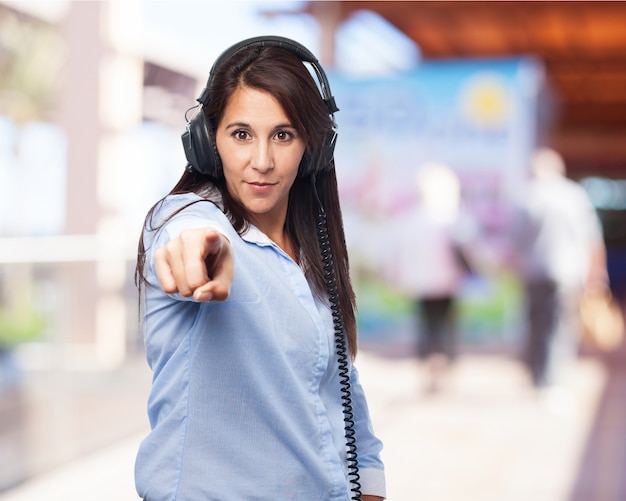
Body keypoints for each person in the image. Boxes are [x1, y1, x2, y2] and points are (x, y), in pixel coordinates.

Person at [133, 36, 386, 501]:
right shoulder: (187, 221)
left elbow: (341, 401)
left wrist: (370, 487)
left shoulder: (313, 257)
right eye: (242, 134)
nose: (263, 161)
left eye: (283, 135)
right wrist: (203, 256)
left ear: (313, 147)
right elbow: (193, 241)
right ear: (208, 143)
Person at [510, 147, 608, 408]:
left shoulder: (526, 197)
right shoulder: (574, 196)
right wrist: (596, 273)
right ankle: (551, 383)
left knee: (536, 323)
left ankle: (537, 377)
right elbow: (591, 238)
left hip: (534, 272)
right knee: (559, 327)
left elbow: (516, 241)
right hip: (568, 272)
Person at [383, 162, 472, 392]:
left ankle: (429, 367)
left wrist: (396, 275)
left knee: (427, 326)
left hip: (421, 282)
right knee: (446, 326)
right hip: (448, 281)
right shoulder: (452, 216)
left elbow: (397, 253)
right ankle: (443, 366)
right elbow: (468, 249)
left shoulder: (411, 219)